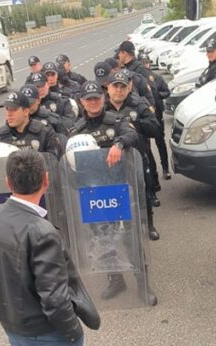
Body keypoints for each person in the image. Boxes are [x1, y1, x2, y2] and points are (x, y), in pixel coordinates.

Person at [0, 149, 97, 346]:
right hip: (48, 336)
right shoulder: (42, 232)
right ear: (46, 180)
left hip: (14, 327)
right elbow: (54, 298)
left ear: (8, 182)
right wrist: (73, 332)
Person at [68, 81, 153, 304]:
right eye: (89, 100)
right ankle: (115, 279)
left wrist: (119, 144)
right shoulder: (76, 131)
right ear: (82, 102)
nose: (93, 102)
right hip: (94, 196)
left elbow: (133, 136)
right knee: (103, 241)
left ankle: (143, 285)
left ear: (103, 99)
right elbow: (67, 163)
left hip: (120, 191)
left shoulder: (116, 121)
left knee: (129, 239)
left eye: (97, 98)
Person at [105, 70, 162, 239]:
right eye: (115, 86)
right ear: (108, 88)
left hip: (136, 156)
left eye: (123, 87)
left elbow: (155, 128)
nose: (119, 90)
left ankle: (149, 224)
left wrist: (135, 126)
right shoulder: (102, 107)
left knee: (142, 190)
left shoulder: (138, 104)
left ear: (128, 88)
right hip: (110, 160)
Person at [0, 89, 63, 158]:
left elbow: (54, 161)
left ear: (26, 111)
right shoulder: (0, 136)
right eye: (7, 109)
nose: (9, 114)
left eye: (13, 110)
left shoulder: (44, 133)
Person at [142, 54, 172, 182]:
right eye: (143, 62)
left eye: (147, 62)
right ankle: (152, 172)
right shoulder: (140, 79)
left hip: (158, 114)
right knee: (146, 146)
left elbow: (167, 91)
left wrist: (157, 95)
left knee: (160, 142)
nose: (145, 64)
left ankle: (165, 168)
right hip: (145, 116)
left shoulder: (157, 77)